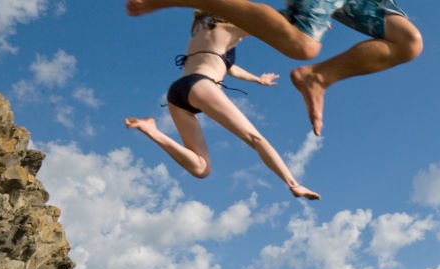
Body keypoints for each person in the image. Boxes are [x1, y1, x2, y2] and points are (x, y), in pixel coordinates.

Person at [126, 0, 424, 136]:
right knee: (303, 46)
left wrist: (257, 79)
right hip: (195, 80)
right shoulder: (218, 37)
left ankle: (317, 77)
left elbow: (234, 70)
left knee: (408, 42)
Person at [125, 11, 320, 199]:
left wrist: (257, 79)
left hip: (177, 93)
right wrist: (313, 20)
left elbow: (230, 68)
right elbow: (270, 19)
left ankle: (152, 130)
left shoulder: (200, 33)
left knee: (201, 169)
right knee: (256, 139)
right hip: (201, 85)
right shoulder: (230, 27)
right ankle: (293, 184)